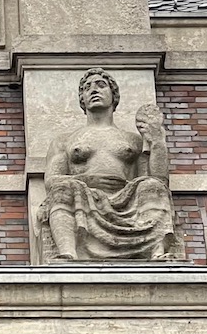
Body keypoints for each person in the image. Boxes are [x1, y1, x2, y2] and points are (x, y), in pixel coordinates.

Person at [39, 68, 182, 261]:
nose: (93, 90)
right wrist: (84, 180)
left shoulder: (133, 139)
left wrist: (157, 142)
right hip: (84, 194)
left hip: (125, 196)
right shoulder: (65, 141)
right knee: (62, 188)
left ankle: (156, 252)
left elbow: (157, 178)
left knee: (152, 187)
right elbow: (52, 180)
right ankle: (68, 254)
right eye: (87, 88)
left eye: (101, 85)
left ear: (114, 96)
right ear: (82, 99)